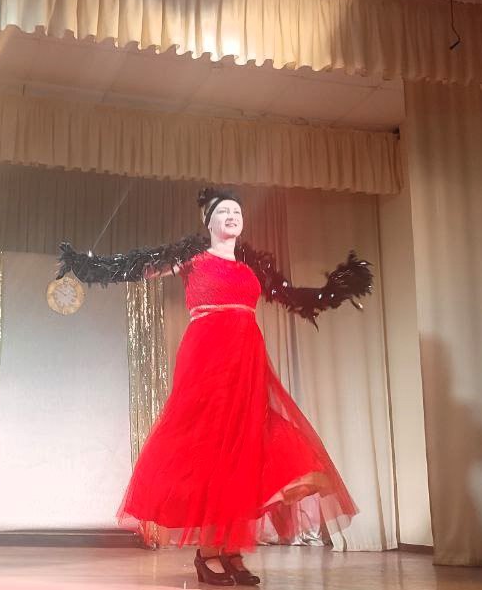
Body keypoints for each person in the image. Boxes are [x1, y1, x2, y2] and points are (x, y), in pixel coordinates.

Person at [58, 187, 370, 586]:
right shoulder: (192, 257)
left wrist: (334, 290)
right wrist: (89, 267)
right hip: (208, 356)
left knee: (246, 447)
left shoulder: (252, 265)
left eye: (237, 211)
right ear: (208, 222)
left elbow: (291, 295)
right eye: (224, 211)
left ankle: (231, 551)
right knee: (212, 447)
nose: (232, 215)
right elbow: (140, 267)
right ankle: (208, 554)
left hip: (247, 360)